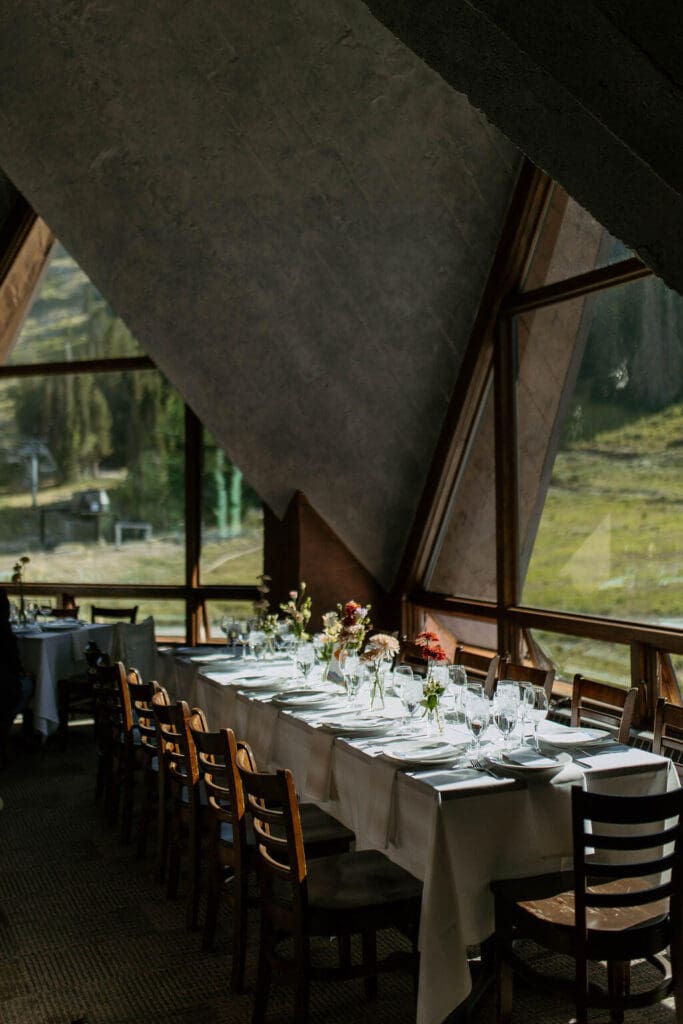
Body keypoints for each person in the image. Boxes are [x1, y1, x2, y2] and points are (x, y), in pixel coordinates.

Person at [0, 588, 35, 764]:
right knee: (29, 684)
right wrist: (23, 672)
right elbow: (13, 661)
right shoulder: (3, 630)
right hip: (4, 685)